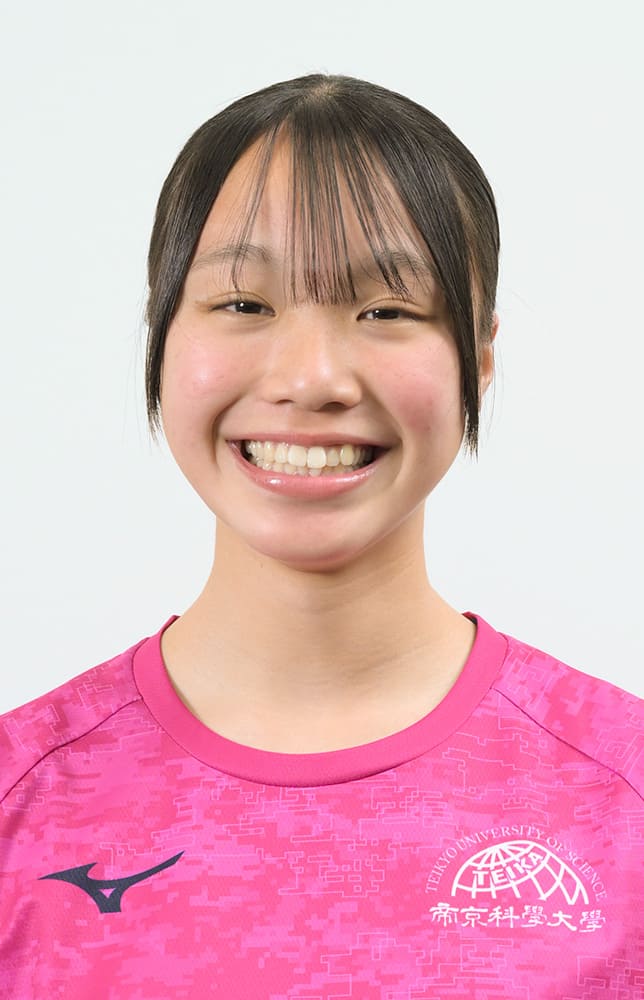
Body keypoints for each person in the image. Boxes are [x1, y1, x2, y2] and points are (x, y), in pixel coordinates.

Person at [1, 74, 641, 999]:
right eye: (243, 304)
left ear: (480, 356)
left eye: (386, 312)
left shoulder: (623, 800)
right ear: (161, 334)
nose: (311, 379)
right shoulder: (21, 796)